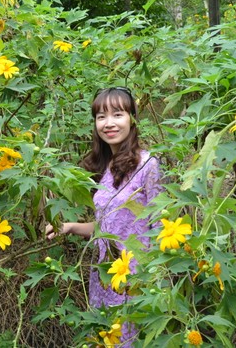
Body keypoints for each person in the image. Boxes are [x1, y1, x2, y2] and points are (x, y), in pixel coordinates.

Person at [45, 87, 163, 346]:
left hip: (136, 282)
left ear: (132, 118)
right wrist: (70, 226)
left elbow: (161, 226)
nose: (108, 123)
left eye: (117, 114)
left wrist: (154, 280)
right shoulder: (103, 168)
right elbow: (109, 226)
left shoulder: (148, 165)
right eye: (101, 116)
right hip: (105, 276)